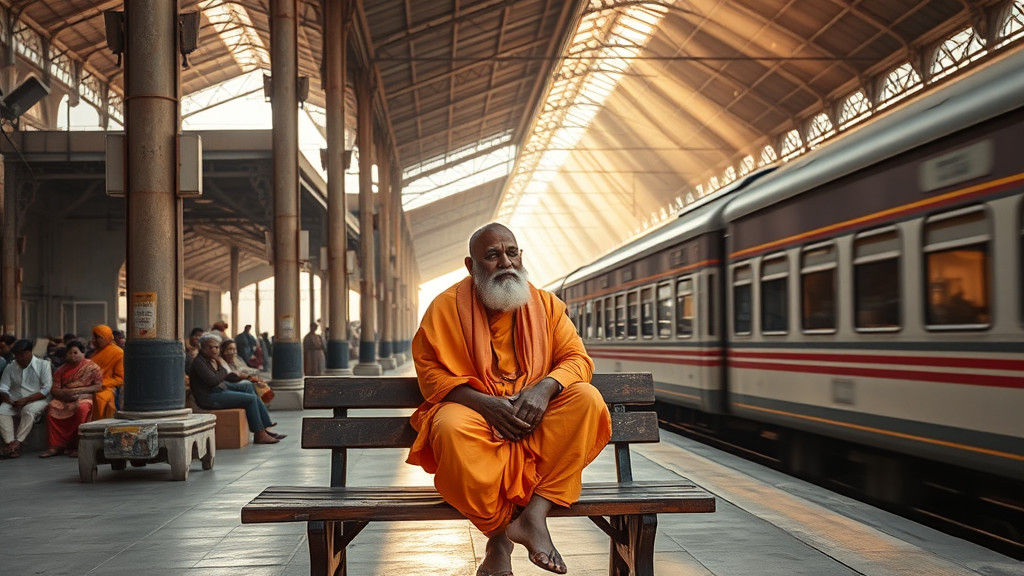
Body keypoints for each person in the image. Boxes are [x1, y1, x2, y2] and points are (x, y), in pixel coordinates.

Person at [408, 223, 611, 576]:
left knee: (587, 400)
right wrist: (484, 404)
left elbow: (577, 360)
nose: (506, 262)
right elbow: (430, 373)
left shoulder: (546, 305)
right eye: (493, 255)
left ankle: (534, 515)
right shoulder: (444, 308)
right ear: (472, 267)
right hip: (478, 416)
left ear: (521, 257)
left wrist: (543, 389)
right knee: (449, 427)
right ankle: (499, 539)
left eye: (511, 252)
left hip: (535, 417)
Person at [188, 333, 283, 444]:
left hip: (219, 389)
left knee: (248, 386)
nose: (215, 350)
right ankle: (259, 434)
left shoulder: (211, 360)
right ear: (203, 348)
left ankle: (265, 427)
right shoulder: (199, 362)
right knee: (250, 399)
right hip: (210, 397)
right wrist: (223, 369)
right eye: (211, 347)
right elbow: (213, 380)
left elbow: (225, 377)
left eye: (217, 347)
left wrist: (247, 377)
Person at [40, 340, 102, 458]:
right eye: (70, 353)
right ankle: (55, 446)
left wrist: (80, 391)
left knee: (82, 408)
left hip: (84, 397)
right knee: (52, 408)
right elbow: (54, 389)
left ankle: (80, 445)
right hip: (65, 397)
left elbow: (98, 386)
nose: (73, 356)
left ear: (82, 353)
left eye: (75, 352)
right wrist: (65, 394)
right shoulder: (61, 370)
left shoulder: (92, 367)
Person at [0, 339, 53, 458]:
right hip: (15, 400)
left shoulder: (43, 365)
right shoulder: (10, 367)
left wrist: (26, 400)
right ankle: (10, 443)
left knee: (28, 411)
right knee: (2, 411)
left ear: (30, 352)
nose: (18, 357)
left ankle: (18, 442)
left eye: (21, 354)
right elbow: (3, 387)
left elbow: (46, 389)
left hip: (38, 400)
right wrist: (8, 399)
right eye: (16, 355)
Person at [88, 325, 125, 420]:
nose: (95, 340)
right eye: (94, 337)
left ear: (107, 337)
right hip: (89, 385)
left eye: (99, 337)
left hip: (107, 387)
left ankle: (99, 428)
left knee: (100, 399)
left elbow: (120, 379)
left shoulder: (118, 352)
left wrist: (102, 383)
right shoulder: (95, 352)